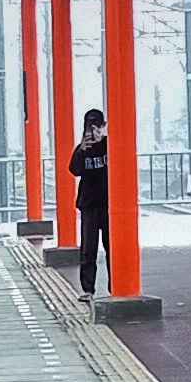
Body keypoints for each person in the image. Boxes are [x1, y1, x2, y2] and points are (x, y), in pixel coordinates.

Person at [70, 107, 109, 296]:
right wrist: (81, 151)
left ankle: (116, 286)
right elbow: (74, 170)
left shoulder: (110, 145)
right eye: (89, 127)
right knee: (88, 249)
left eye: (96, 127)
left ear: (103, 126)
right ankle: (87, 289)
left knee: (112, 248)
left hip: (109, 205)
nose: (93, 132)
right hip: (89, 205)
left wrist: (104, 141)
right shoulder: (82, 148)